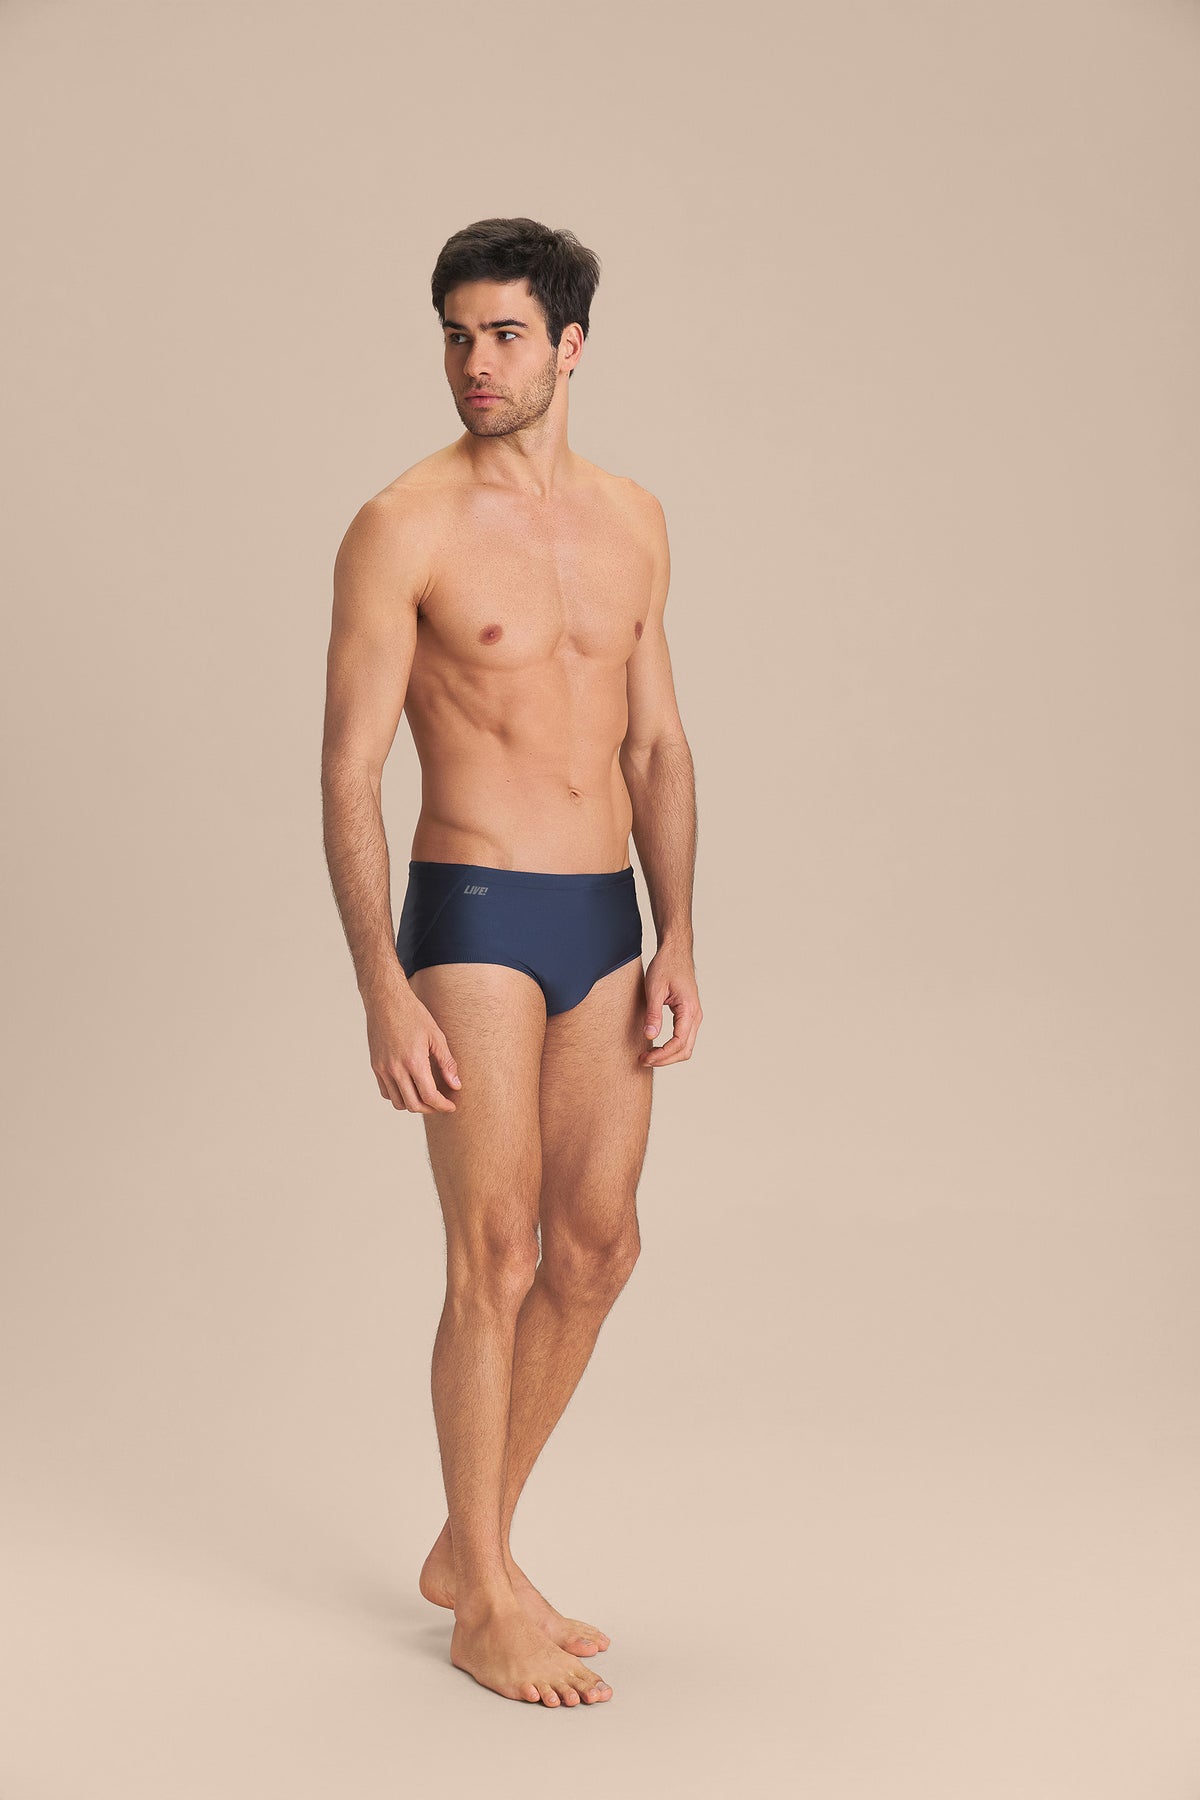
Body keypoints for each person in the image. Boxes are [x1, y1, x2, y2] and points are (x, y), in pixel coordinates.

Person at [320, 217, 702, 1708]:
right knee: (496, 1255)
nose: (474, 363)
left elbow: (657, 745)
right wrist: (381, 981)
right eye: (456, 335)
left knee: (597, 1248)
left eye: (503, 336)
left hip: (606, 918)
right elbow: (350, 769)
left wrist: (679, 933)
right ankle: (486, 1598)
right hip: (473, 910)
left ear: (570, 347)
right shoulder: (401, 525)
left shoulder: (635, 518)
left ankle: (461, 1545)